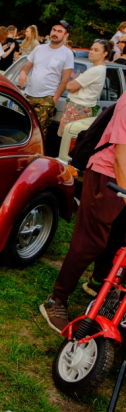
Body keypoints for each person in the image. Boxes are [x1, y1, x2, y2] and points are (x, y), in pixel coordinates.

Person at [40, 90, 126, 333]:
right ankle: (55, 300)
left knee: (119, 238)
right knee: (90, 241)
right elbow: (121, 157)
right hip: (108, 174)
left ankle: (98, 282)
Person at [17, 21, 74, 137]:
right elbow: (27, 66)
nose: (55, 33)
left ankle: (36, 154)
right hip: (28, 95)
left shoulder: (67, 54)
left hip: (47, 98)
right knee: (20, 128)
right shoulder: (39, 49)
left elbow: (65, 79)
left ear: (65, 35)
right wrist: (23, 72)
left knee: (37, 133)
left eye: (60, 31)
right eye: (54, 30)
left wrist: (54, 99)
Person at [56, 40, 109, 139]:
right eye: (92, 49)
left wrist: (73, 85)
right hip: (80, 108)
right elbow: (73, 86)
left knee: (67, 142)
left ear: (104, 54)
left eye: (96, 50)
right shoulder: (98, 69)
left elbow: (70, 86)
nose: (91, 52)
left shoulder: (96, 70)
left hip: (78, 109)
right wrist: (75, 86)